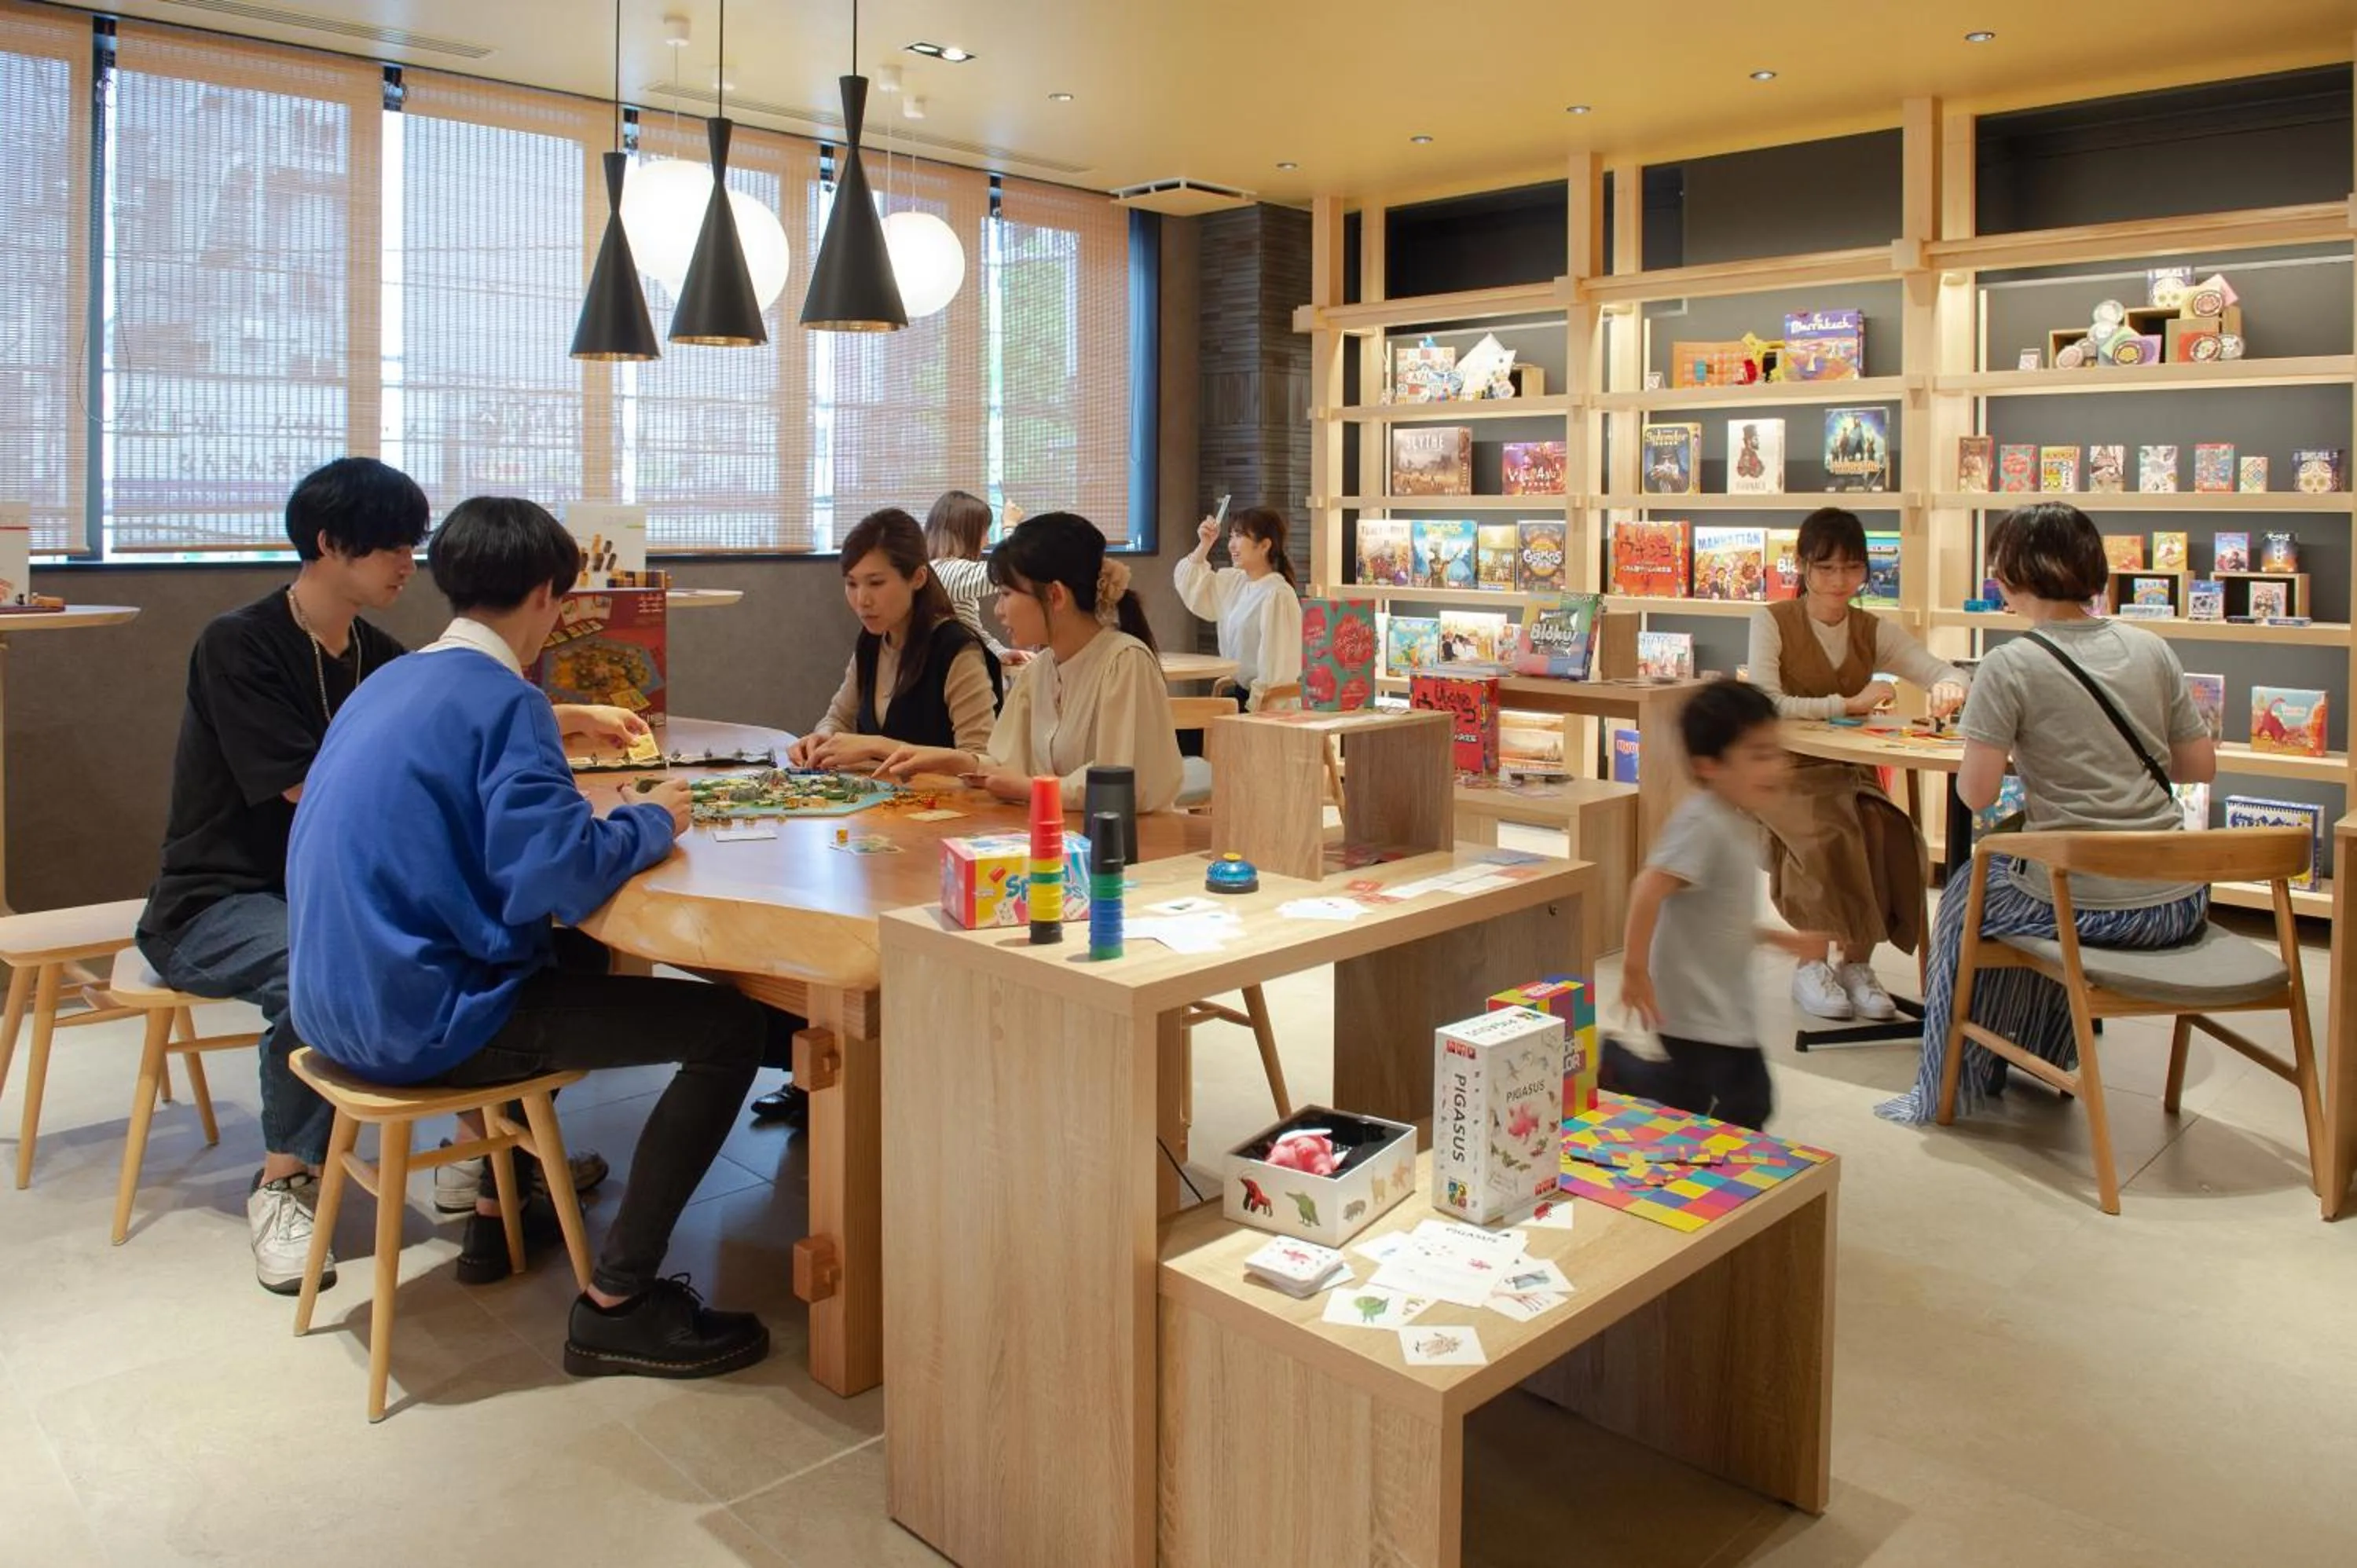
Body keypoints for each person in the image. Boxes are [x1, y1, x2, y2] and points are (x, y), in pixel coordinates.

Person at [288, 496, 780, 1379]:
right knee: (728, 1028)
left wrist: (557, 720)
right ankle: (619, 1302)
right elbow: (554, 873)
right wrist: (654, 820)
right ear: (551, 593)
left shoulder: (391, 681)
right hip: (427, 1019)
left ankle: (500, 1207)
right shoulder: (505, 700)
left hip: (332, 1005)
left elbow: (451, 764)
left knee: (574, 956)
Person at [134, 458, 624, 1296]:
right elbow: (313, 778)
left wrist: (566, 718)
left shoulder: (374, 652)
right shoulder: (239, 645)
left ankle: (488, 1157)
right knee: (320, 964)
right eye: (391, 545)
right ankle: (284, 1180)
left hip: (328, 887)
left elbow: (445, 710)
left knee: (481, 941)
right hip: (223, 897)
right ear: (329, 544)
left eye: (412, 545)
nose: (409, 563)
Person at [1879, 502, 2216, 1124]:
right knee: (2019, 879)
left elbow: (1976, 797)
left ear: (2010, 576)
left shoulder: (2011, 663)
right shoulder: (2152, 648)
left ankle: (1951, 1087)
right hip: (2179, 899)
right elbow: (2198, 768)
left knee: (1967, 897)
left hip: (2091, 905)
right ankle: (2041, 1050)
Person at [1747, 507, 1969, 1024]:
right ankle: (1811, 964)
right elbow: (1763, 701)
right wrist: (1844, 704)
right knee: (1826, 835)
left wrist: (1949, 686)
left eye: (1851, 568)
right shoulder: (1773, 621)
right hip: (1785, 770)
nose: (1838, 581)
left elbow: (1939, 669)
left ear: (1866, 571)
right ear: (1802, 566)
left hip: (1851, 771)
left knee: (1887, 829)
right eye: (1825, 568)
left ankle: (1857, 964)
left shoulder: (1872, 630)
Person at [1602, 680, 1834, 1130]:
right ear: (1708, 765)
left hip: (1720, 1002)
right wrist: (1634, 971)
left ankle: (1621, 1071)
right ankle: (1622, 1072)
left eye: (1777, 752)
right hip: (1695, 1008)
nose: (1777, 767)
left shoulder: (1735, 821)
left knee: (1687, 1097)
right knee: (1750, 1101)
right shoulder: (1701, 822)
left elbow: (1719, 913)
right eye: (1759, 755)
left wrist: (1779, 938)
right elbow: (1648, 886)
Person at [878, 510, 1184, 811]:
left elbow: (1123, 784)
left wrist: (1030, 789)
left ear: (1055, 596)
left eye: (1006, 594)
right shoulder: (1038, 670)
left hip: (1131, 849)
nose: (998, 610)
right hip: (1060, 842)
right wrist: (954, 761)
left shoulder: (1125, 661)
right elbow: (1006, 764)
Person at [787, 507, 1001, 771]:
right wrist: (823, 738)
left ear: (918, 577)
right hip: (881, 807)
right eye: (852, 584)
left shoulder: (955, 649)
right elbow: (839, 719)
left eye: (876, 583)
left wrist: (878, 747)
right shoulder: (872, 642)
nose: (862, 600)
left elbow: (981, 761)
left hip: (944, 808)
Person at [1174, 505, 1303, 711]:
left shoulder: (1278, 595)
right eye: (1231, 536)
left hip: (1262, 707)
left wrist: (1254, 712)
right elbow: (1194, 588)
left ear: (1264, 545)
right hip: (1240, 697)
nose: (1232, 545)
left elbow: (1277, 671)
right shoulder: (1237, 583)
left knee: (1186, 729)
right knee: (1174, 721)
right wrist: (1205, 544)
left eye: (1240, 536)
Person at [923, 489, 1025, 665]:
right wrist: (1010, 525)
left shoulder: (938, 570)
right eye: (984, 533)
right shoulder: (947, 571)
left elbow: (974, 630)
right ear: (966, 535)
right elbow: (1012, 569)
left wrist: (1001, 653)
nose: (986, 542)